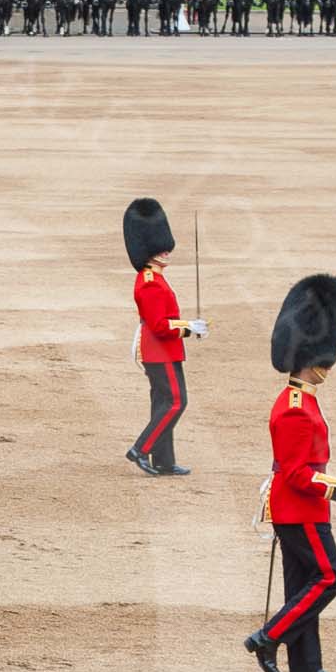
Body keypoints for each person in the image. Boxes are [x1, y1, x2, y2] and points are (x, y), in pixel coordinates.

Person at [243, 274, 336, 672]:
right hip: (300, 510)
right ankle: (269, 637)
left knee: (303, 584)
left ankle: (305, 666)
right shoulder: (296, 408)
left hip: (299, 508)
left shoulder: (299, 400)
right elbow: (300, 474)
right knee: (330, 578)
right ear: (310, 360)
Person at [123, 197, 205, 478]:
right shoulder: (150, 283)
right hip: (160, 349)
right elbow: (160, 325)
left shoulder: (153, 278)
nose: (166, 251)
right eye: (160, 248)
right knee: (175, 402)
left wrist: (188, 327)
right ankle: (139, 449)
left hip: (165, 349)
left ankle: (164, 460)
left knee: (163, 402)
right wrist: (189, 327)